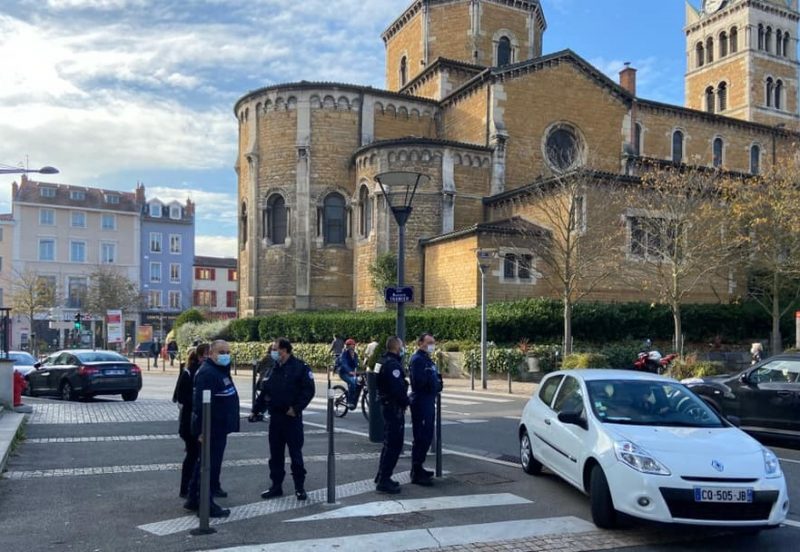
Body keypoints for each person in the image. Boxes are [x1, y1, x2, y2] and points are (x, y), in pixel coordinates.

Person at [250, 337, 316, 501]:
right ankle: (276, 486)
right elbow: (266, 392)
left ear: (284, 350)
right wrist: (256, 410)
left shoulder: (299, 367)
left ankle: (299, 488)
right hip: (276, 417)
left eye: (275, 349)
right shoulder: (274, 368)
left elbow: (308, 390)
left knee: (295, 454)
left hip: (291, 418)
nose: (273, 351)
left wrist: (296, 408)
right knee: (275, 455)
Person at [184, 340, 240, 518]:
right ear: (211, 353)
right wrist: (202, 430)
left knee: (204, 463)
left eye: (228, 352)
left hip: (218, 425)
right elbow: (201, 404)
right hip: (211, 427)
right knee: (209, 465)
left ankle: (193, 498)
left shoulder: (218, 370)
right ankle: (205, 503)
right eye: (221, 352)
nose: (226, 355)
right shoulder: (208, 373)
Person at [172, 343, 209, 498]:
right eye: (207, 354)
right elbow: (181, 397)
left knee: (196, 455)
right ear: (201, 356)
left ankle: (193, 487)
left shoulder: (199, 371)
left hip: (193, 421)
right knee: (193, 455)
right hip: (190, 422)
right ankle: (187, 488)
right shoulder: (190, 372)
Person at [374, 336, 409, 494]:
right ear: (396, 348)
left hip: (385, 404)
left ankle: (381, 475)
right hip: (393, 408)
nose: (403, 349)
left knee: (388, 443)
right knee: (394, 444)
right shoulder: (393, 364)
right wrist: (406, 402)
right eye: (402, 346)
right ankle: (384, 480)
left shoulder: (380, 361)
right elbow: (397, 389)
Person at [409, 332, 443, 486]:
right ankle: (416, 471)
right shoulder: (417, 360)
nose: (432, 345)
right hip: (421, 401)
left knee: (427, 436)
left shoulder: (427, 360)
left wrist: (436, 383)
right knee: (421, 437)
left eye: (433, 342)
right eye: (429, 342)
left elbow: (437, 379)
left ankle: (419, 467)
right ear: (420, 343)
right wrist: (433, 383)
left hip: (428, 400)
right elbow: (418, 382)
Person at [338, 338, 360, 408]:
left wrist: (353, 358)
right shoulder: (344, 354)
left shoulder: (355, 354)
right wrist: (349, 371)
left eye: (353, 345)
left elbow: (356, 365)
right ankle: (350, 402)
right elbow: (344, 364)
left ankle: (351, 397)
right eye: (350, 346)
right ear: (347, 347)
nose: (352, 347)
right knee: (352, 383)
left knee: (357, 383)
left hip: (352, 373)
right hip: (343, 373)